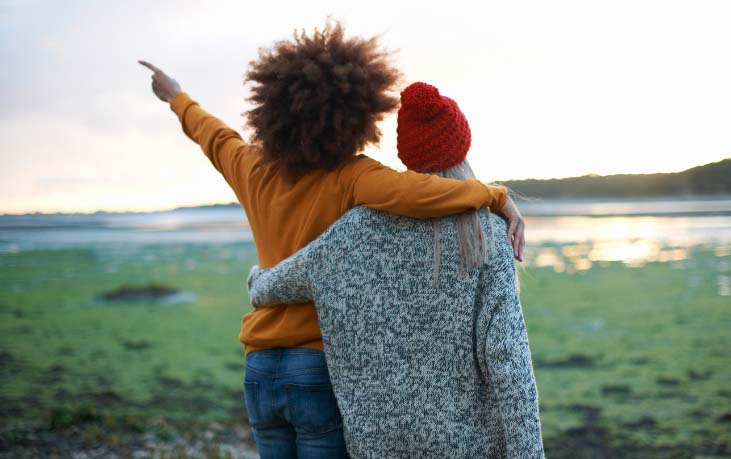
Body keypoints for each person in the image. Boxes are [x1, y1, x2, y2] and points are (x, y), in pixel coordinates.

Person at [139, 21, 526, 459]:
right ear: (354, 116)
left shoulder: (250, 167)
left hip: (258, 364)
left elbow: (212, 134)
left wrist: (177, 97)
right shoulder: (352, 176)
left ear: (272, 111)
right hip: (315, 364)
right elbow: (420, 192)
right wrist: (495, 196)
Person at [247, 82, 545, 458]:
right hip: (467, 446)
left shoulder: (352, 231)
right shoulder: (486, 235)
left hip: (377, 446)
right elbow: (507, 357)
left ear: (406, 156)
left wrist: (256, 279)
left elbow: (270, 287)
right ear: (462, 146)